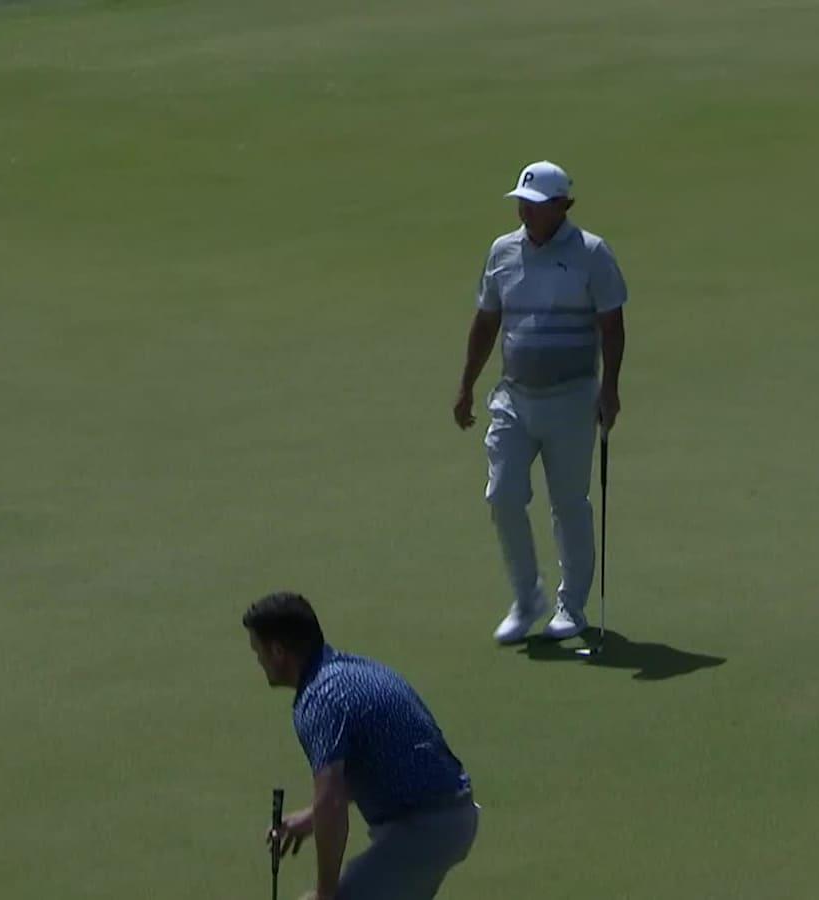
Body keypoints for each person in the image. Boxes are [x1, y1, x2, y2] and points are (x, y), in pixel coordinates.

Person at [453, 160, 629, 644]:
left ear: (560, 206)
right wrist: (467, 383)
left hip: (573, 397)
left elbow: (612, 324)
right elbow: (487, 320)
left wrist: (610, 388)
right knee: (503, 495)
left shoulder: (591, 253)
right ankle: (526, 596)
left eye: (533, 205)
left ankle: (570, 607)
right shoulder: (502, 251)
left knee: (569, 504)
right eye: (520, 204)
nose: (523, 213)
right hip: (513, 397)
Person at [246, 591, 478, 900]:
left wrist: (326, 894)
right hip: (452, 819)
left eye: (257, 650)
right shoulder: (352, 669)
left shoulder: (319, 699)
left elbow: (332, 804)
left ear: (277, 651)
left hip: (424, 830)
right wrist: (310, 818)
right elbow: (384, 763)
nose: (258, 660)